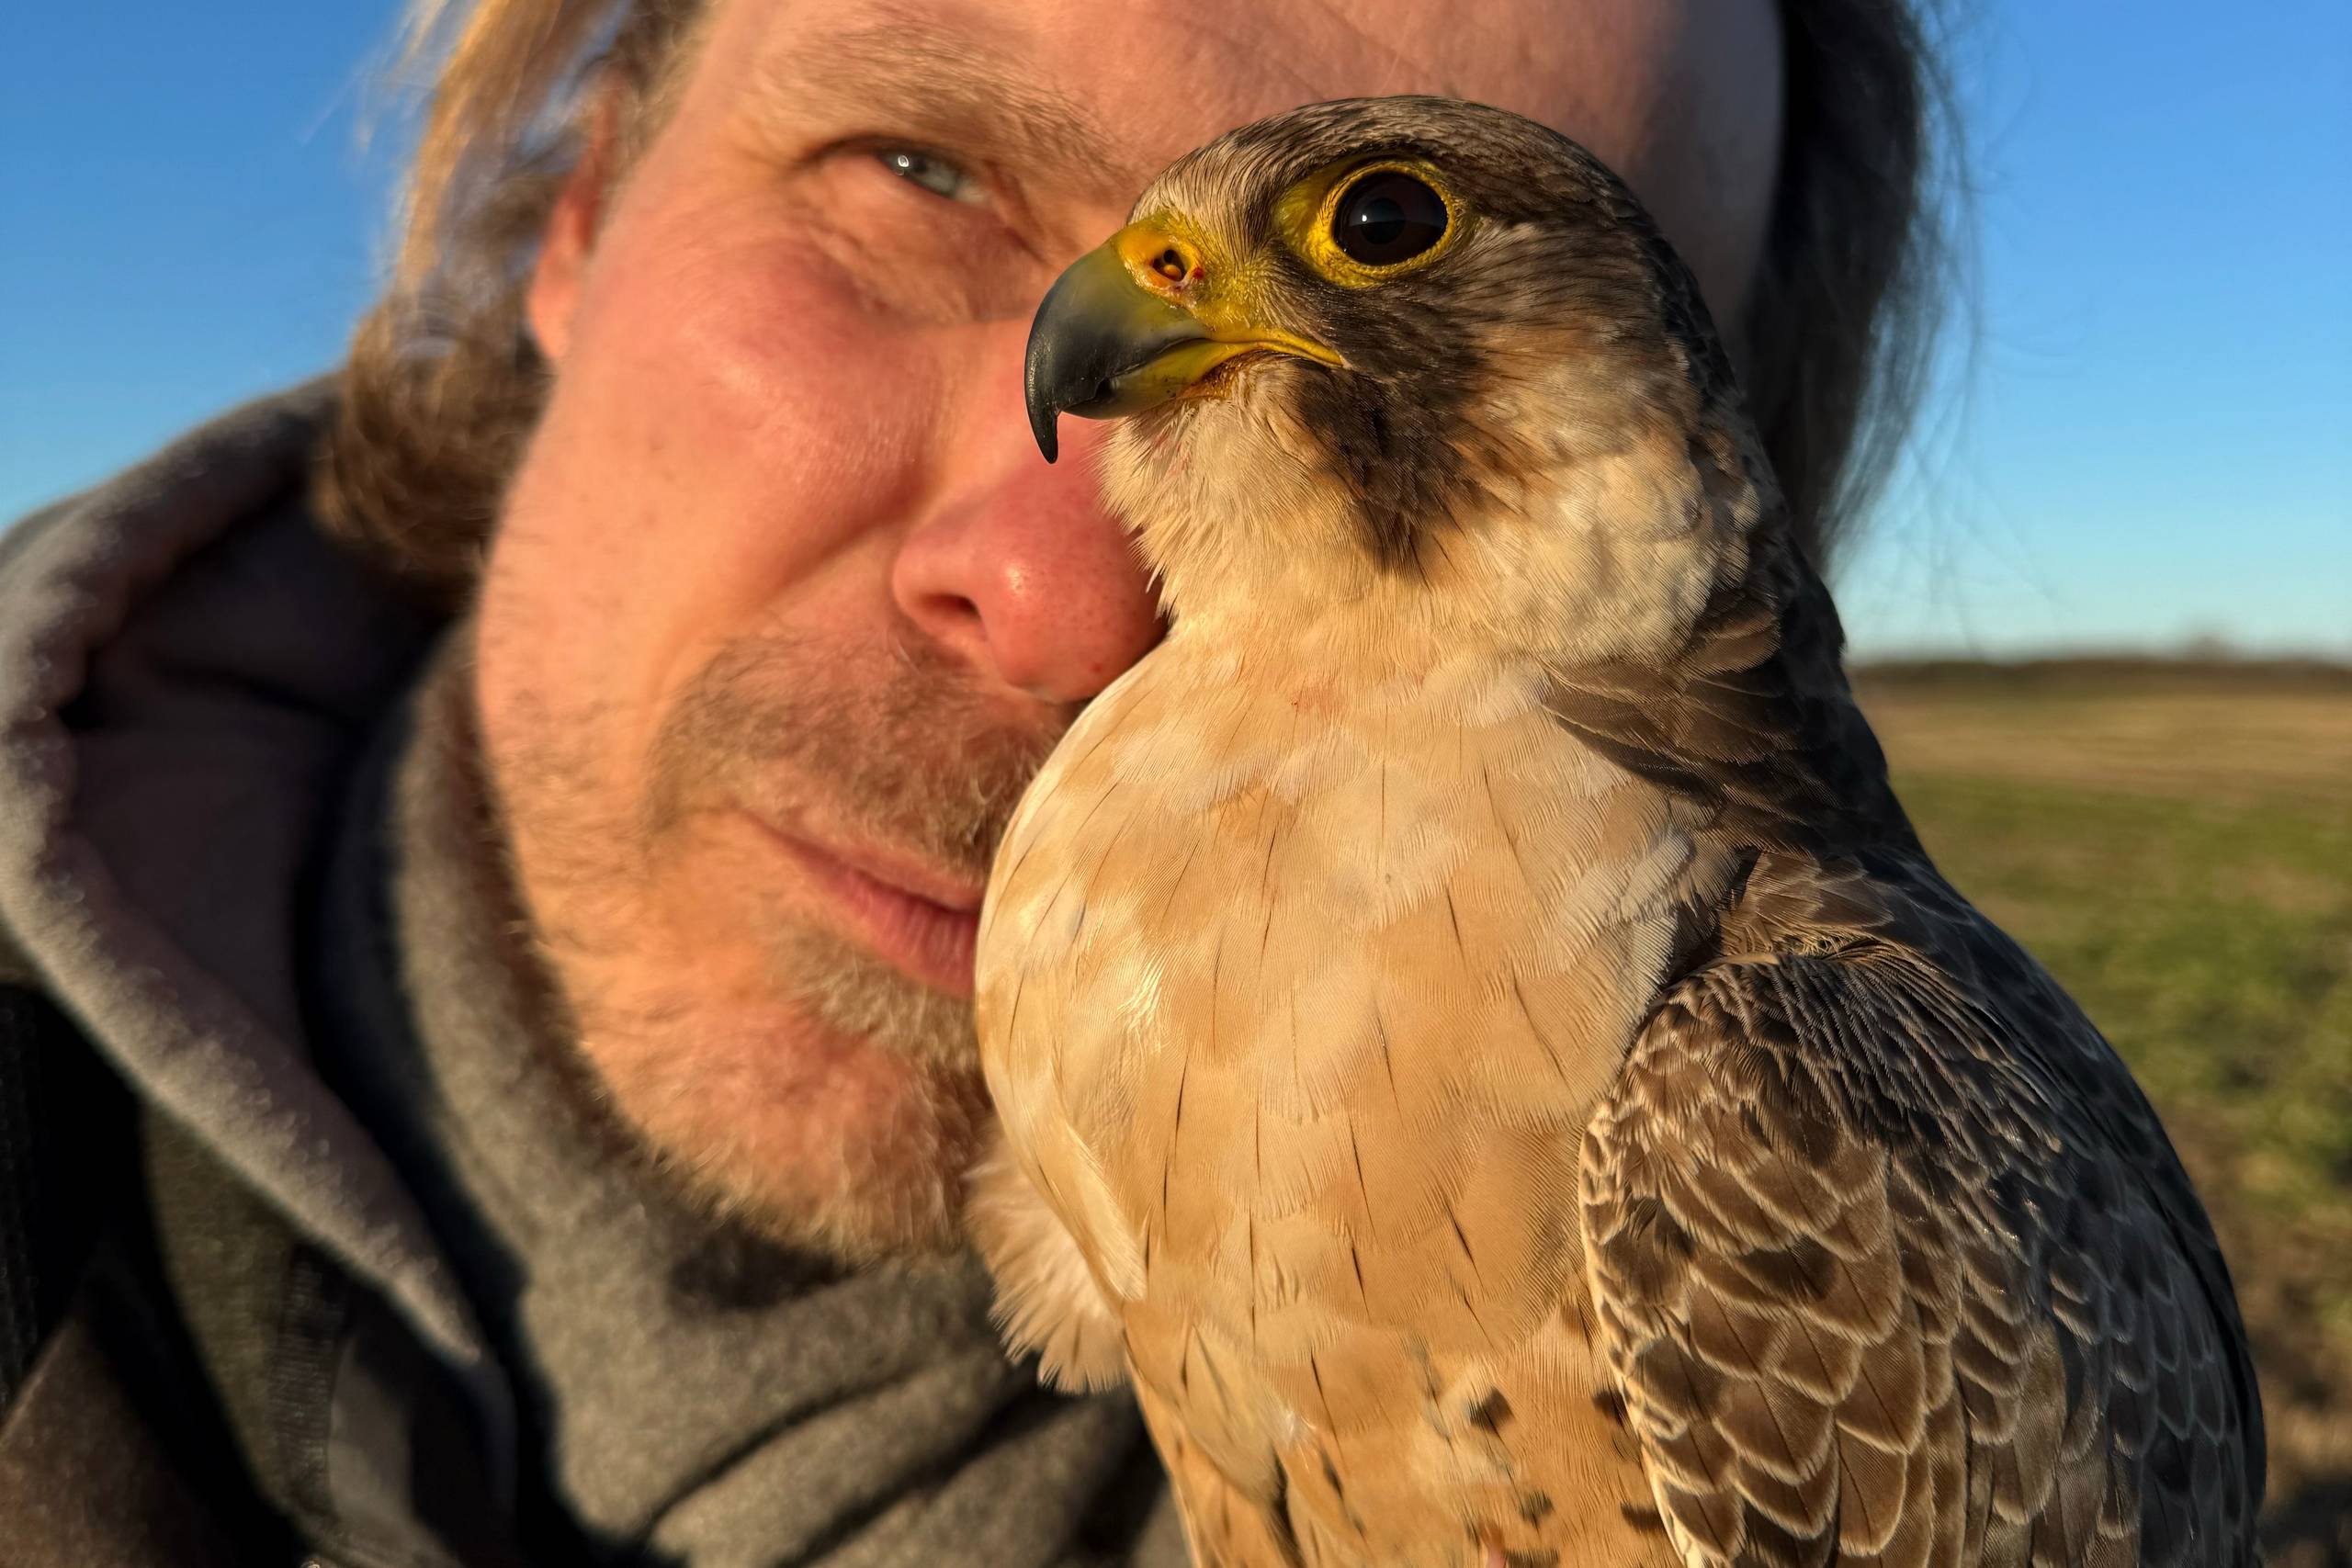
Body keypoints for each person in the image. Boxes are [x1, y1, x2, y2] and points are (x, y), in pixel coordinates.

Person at [0, 1, 1948, 1562]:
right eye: (920, 171)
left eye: (1389, 231)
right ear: (579, 206)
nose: (1050, 593)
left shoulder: (1834, 1170)